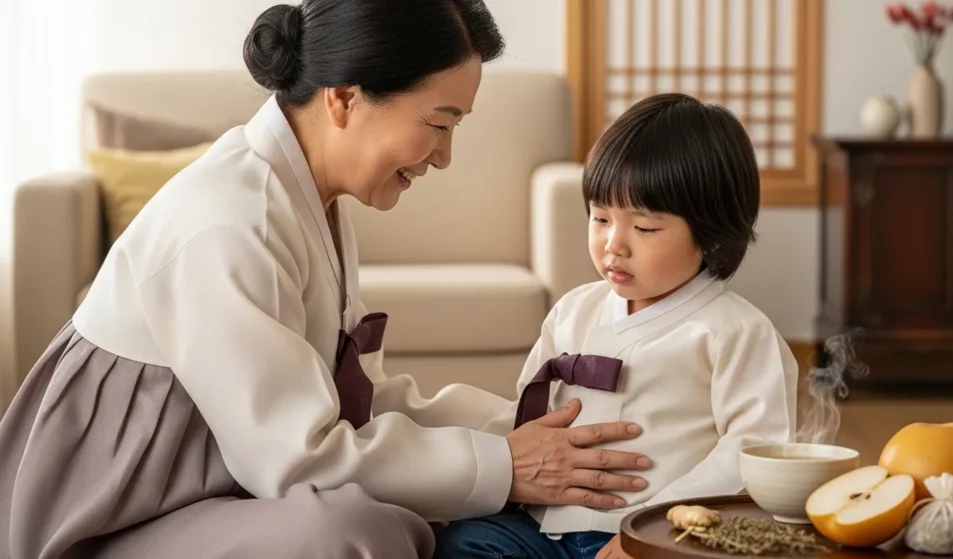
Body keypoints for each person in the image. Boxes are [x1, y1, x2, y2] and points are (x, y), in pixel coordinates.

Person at [0, 1, 655, 558]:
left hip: (211, 490)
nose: (445, 156)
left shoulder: (311, 196)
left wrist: (522, 426)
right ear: (345, 98)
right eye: (439, 124)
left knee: (406, 512)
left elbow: (353, 397)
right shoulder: (233, 216)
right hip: (110, 524)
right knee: (353, 532)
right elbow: (294, 460)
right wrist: (507, 465)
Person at [432, 93, 800, 559]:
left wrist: (654, 529)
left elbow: (754, 451)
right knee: (464, 544)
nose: (614, 245)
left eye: (643, 229)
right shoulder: (572, 310)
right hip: (545, 526)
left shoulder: (735, 331)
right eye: (600, 218)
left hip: (655, 536)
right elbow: (528, 413)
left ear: (711, 233)